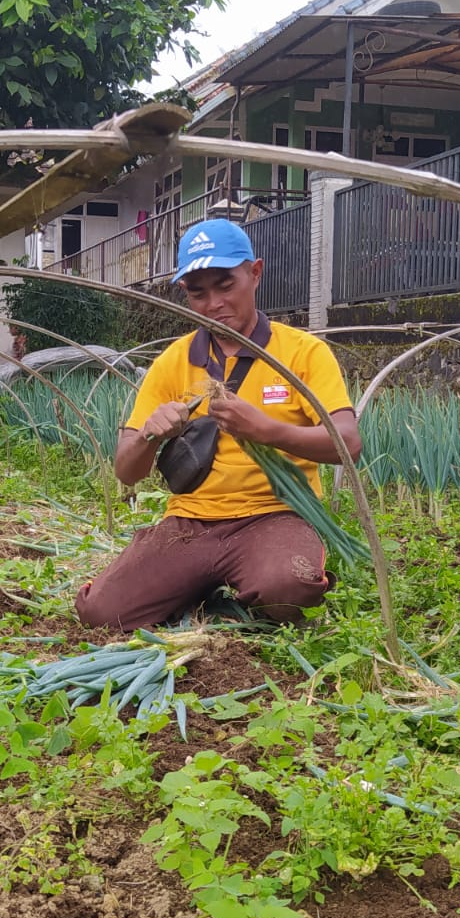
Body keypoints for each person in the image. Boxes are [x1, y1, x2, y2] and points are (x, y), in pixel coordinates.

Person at [75, 219, 362, 630]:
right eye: (198, 293)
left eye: (226, 286)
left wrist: (264, 430)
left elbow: (348, 444)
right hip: (191, 522)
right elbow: (126, 469)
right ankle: (195, 577)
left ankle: (230, 583)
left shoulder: (301, 353)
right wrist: (150, 436)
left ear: (255, 273)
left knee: (289, 590)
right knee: (101, 613)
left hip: (276, 515)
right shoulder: (173, 362)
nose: (213, 304)